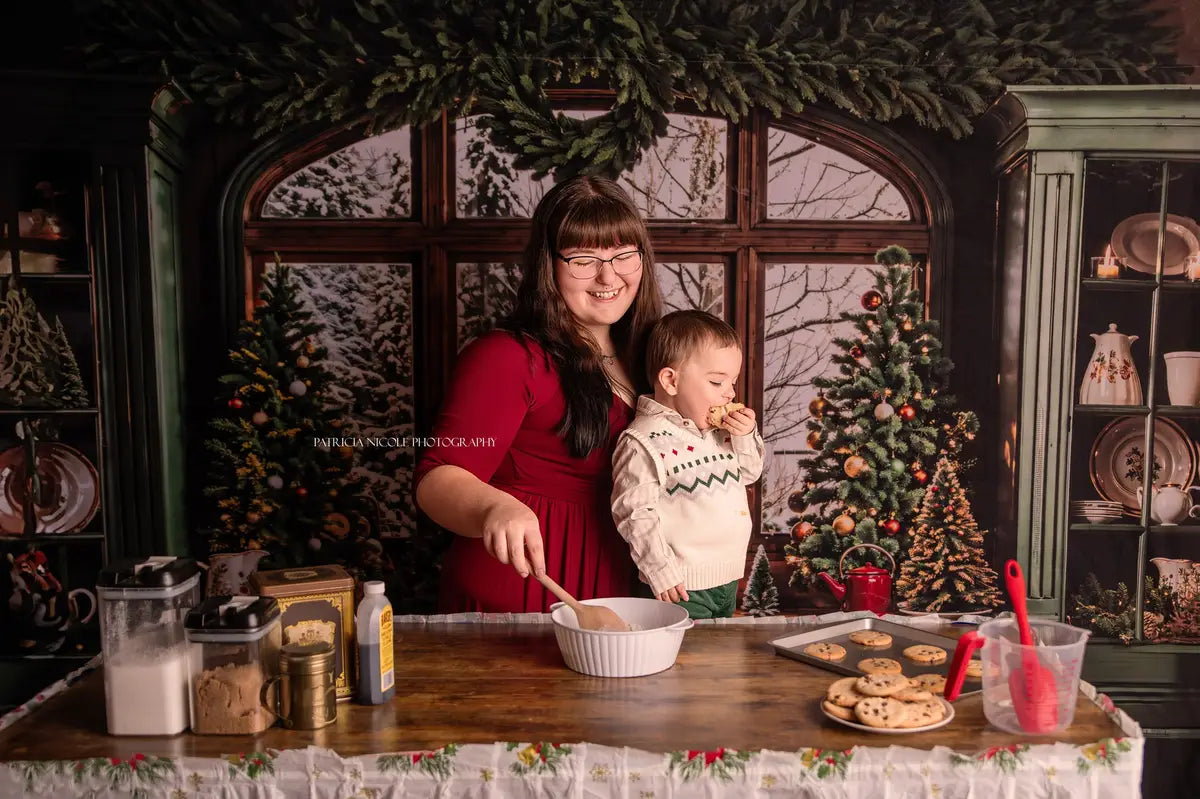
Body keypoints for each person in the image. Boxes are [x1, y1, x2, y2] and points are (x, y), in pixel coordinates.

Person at [414, 176, 663, 612]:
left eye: (624, 255)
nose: (609, 276)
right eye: (583, 259)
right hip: (525, 588)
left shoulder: (651, 355)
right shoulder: (508, 357)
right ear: (549, 265)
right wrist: (493, 507)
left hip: (623, 587)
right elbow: (437, 478)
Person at [610, 310, 764, 619]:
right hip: (680, 587)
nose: (730, 393)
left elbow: (749, 473)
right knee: (686, 662)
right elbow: (634, 512)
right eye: (717, 381)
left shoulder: (718, 433)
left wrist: (745, 435)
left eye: (732, 382)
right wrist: (660, 570)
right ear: (670, 380)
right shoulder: (644, 440)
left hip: (728, 578)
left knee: (717, 660)